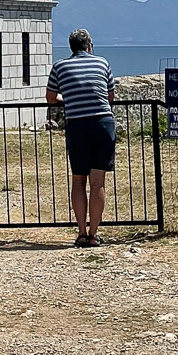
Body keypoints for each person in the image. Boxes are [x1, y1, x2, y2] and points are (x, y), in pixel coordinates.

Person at [46, 28, 115, 248]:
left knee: (78, 179)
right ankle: (94, 234)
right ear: (90, 46)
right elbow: (110, 95)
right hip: (103, 124)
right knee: (98, 182)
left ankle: (81, 233)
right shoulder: (102, 63)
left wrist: (66, 97)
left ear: (71, 47)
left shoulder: (60, 66)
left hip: (77, 126)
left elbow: (50, 98)